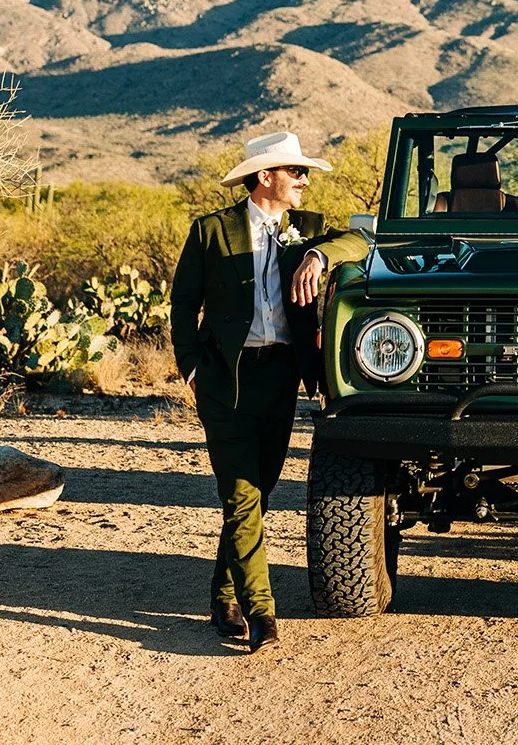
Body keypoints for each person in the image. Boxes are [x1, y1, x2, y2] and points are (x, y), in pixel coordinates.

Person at [170, 131, 371, 653]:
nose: (305, 181)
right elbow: (182, 303)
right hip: (226, 380)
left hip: (281, 375)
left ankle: (222, 595)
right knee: (240, 494)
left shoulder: (307, 231)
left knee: (254, 494)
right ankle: (262, 612)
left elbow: (362, 242)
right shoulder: (212, 230)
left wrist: (319, 258)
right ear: (266, 177)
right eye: (296, 172)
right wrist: (192, 367)